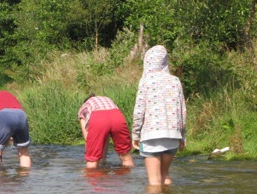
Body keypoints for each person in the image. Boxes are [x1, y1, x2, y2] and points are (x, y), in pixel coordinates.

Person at [132, 45, 186, 185]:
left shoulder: (146, 81)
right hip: (173, 135)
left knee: (154, 181)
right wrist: (183, 136)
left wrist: (135, 134)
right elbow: (182, 111)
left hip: (151, 136)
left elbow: (139, 111)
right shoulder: (175, 81)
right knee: (165, 176)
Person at [78, 93, 134, 168]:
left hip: (98, 117)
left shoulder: (83, 108)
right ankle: (129, 178)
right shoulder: (107, 99)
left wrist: (92, 155)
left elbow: (87, 138)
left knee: (92, 160)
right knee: (126, 157)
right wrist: (103, 160)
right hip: (117, 116)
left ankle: (93, 177)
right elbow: (105, 134)